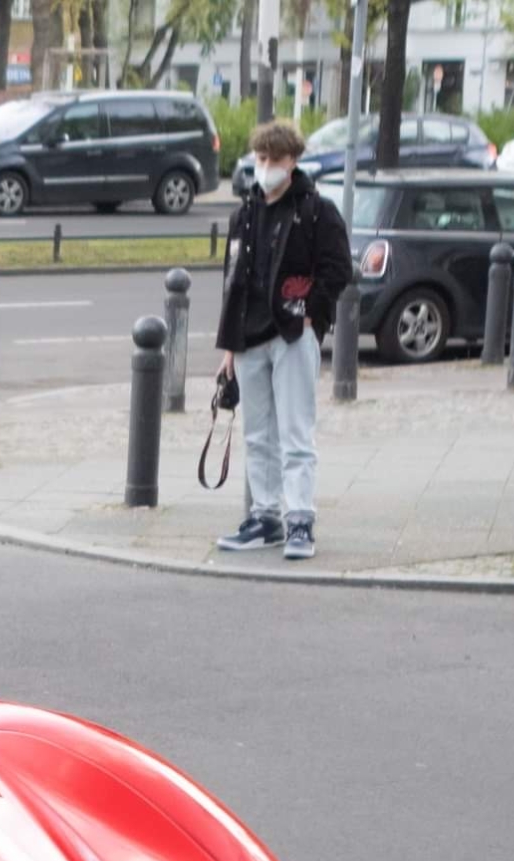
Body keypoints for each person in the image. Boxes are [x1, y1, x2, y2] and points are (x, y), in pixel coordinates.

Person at [214, 119, 352, 562]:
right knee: (258, 434)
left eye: (274, 159)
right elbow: (233, 280)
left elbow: (337, 270)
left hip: (292, 334)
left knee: (295, 433)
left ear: (292, 161)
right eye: (260, 158)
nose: (266, 166)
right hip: (250, 337)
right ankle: (265, 516)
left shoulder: (315, 211)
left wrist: (312, 313)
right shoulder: (245, 214)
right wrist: (229, 346)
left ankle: (299, 521)